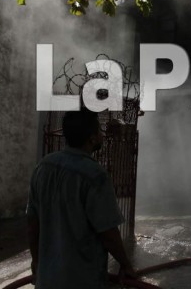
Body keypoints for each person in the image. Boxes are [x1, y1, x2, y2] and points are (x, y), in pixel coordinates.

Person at [27, 110, 137, 288]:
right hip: (83, 280)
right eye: (100, 132)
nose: (102, 135)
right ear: (92, 138)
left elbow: (32, 222)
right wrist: (126, 265)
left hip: (47, 280)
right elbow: (108, 233)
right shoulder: (95, 175)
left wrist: (36, 261)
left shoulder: (43, 166)